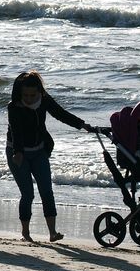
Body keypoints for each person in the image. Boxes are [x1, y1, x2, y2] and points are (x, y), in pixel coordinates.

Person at [5, 71, 92, 242]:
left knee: (47, 191)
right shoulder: (14, 106)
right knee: (28, 194)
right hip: (17, 152)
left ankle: (52, 232)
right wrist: (18, 152)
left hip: (39, 151)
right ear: (19, 93)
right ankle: (25, 233)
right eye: (26, 95)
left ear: (39, 91)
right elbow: (16, 131)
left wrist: (82, 124)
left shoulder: (44, 99)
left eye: (33, 95)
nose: (29, 99)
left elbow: (60, 113)